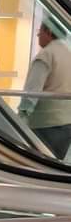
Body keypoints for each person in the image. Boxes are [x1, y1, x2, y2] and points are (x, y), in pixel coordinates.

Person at [20, 20, 71, 161]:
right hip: (66, 122)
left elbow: (31, 93)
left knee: (38, 164)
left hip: (44, 123)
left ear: (49, 31)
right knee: (54, 164)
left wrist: (20, 119)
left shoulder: (46, 55)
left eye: (40, 31)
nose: (38, 35)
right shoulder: (68, 52)